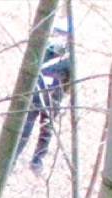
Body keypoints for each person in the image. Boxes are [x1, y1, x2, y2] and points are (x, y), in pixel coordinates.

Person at [16, 19, 72, 177]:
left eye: (63, 34)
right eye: (57, 33)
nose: (59, 37)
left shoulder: (69, 59)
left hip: (53, 100)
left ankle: (37, 160)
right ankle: (14, 155)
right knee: (25, 126)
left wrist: (60, 96)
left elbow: (69, 81)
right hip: (35, 97)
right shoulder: (42, 52)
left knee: (46, 130)